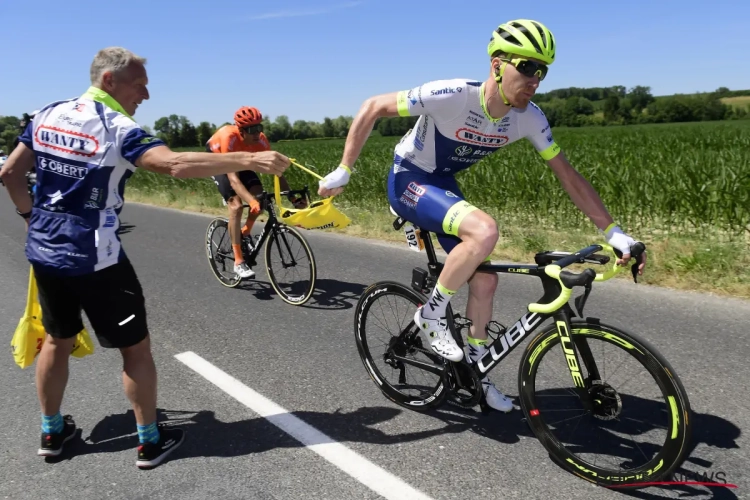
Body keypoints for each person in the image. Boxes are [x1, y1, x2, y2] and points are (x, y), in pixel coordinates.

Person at [317, 19, 647, 413]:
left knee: (486, 280)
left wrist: (613, 232)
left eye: (542, 71)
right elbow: (373, 106)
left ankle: (477, 370)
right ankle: (430, 314)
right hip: (408, 178)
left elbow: (569, 176)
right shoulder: (454, 95)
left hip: (442, 185)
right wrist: (345, 169)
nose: (535, 79)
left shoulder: (529, 118)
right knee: (485, 229)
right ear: (496, 65)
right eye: (527, 67)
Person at [0, 46, 290, 467]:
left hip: (45, 252)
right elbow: (172, 165)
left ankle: (51, 432)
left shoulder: (46, 114)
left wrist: (30, 216)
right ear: (109, 81)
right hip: (97, 258)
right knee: (135, 350)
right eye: (140, 85)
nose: (146, 96)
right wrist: (248, 158)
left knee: (57, 340)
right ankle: (149, 441)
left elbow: (10, 174)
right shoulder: (117, 127)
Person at [206, 107, 307, 278]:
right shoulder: (228, 137)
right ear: (240, 130)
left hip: (243, 160)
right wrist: (250, 201)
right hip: (218, 161)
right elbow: (234, 180)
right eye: (252, 130)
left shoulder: (261, 141)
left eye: (259, 128)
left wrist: (292, 198)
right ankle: (238, 261)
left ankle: (245, 231)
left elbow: (277, 172)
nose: (257, 133)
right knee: (237, 206)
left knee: (260, 198)